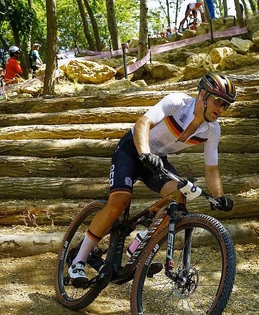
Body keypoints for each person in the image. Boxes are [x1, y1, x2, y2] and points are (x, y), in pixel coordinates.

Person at [68, 72, 237, 285]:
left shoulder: (212, 130)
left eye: (226, 106)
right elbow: (142, 124)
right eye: (219, 102)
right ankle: (78, 260)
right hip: (132, 149)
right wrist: (145, 152)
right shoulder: (177, 102)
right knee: (119, 203)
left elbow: (212, 169)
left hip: (157, 159)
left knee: (179, 196)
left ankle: (139, 244)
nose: (221, 109)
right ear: (203, 94)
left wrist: (219, 196)